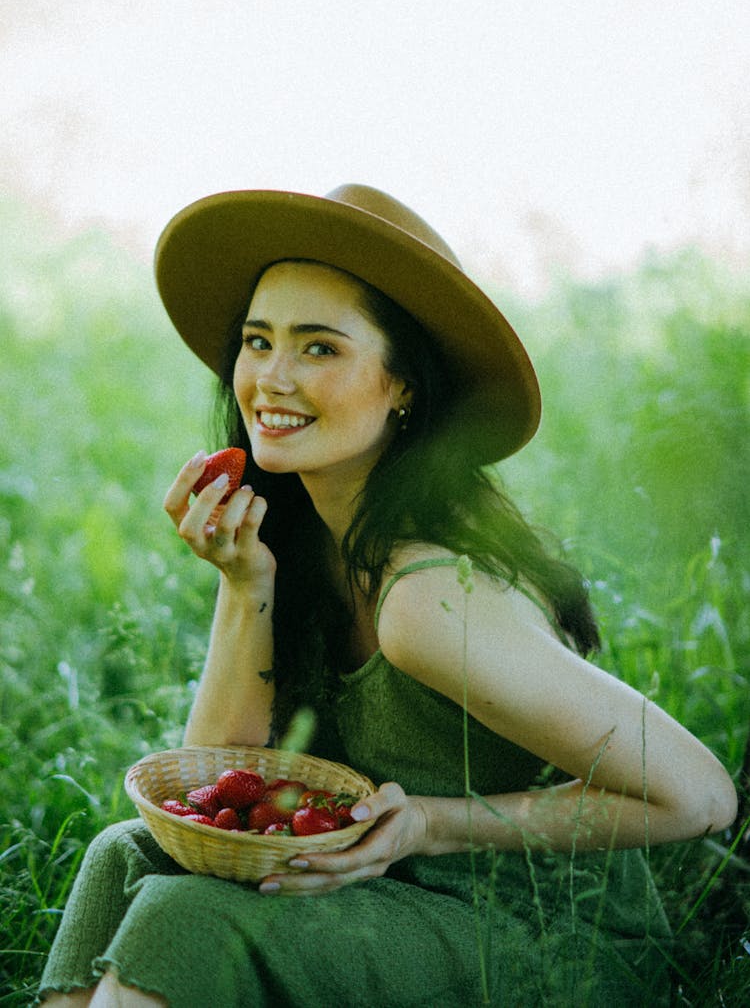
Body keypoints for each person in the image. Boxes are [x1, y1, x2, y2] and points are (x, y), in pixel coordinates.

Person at [39, 184, 737, 1007]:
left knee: (185, 916)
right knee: (126, 857)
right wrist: (245, 583)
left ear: (403, 384)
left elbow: (698, 793)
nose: (271, 378)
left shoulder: (428, 596)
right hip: (384, 893)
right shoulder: (299, 538)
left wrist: (435, 823)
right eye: (257, 340)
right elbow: (222, 786)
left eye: (319, 348)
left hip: (542, 935)